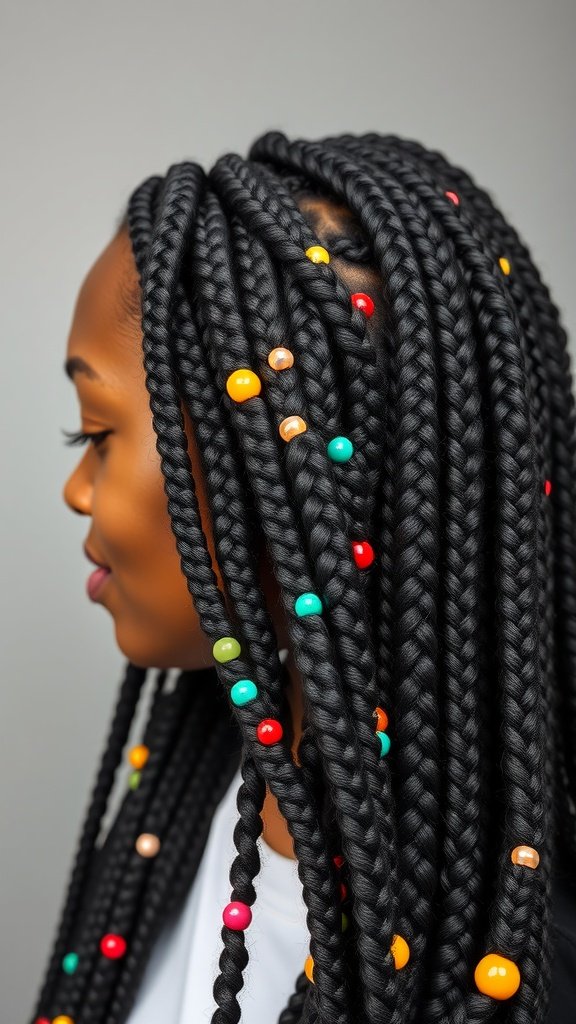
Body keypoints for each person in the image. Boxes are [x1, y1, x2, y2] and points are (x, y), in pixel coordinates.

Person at [30, 130, 576, 1024]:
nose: (75, 489)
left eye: (95, 432)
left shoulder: (509, 971)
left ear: (292, 470)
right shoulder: (194, 799)